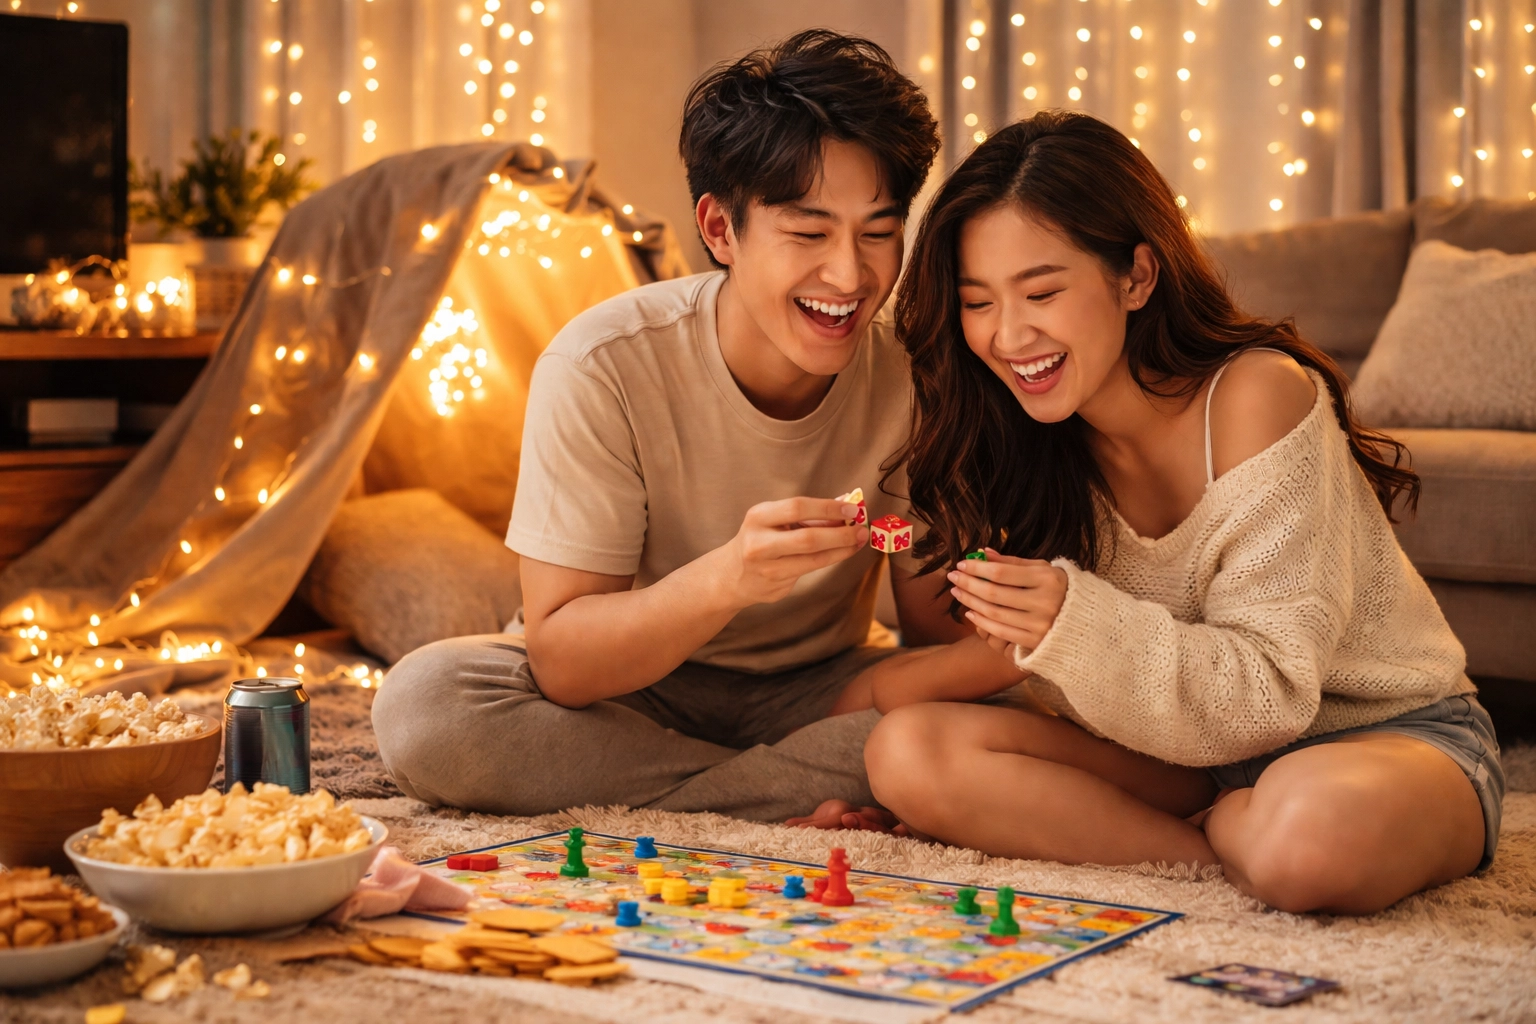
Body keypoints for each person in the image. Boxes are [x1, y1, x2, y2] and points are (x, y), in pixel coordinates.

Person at [834, 111, 1503, 915]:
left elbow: (1269, 699)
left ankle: (1240, 839)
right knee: (908, 753)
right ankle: (1220, 848)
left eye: (1042, 291)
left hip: (1379, 738)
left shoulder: (1257, 395)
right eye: (978, 303)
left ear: (1137, 277)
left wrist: (1070, 627)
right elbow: (980, 667)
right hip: (1186, 756)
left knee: (1308, 842)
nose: (1010, 336)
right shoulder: (1029, 443)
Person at [372, 30, 967, 821]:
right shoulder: (602, 365)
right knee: (425, 706)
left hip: (820, 692)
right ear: (720, 230)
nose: (851, 277)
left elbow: (932, 640)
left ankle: (732, 792)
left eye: (880, 232)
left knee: (1018, 700)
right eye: (808, 232)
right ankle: (772, 793)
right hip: (630, 695)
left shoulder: (916, 379)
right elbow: (564, 666)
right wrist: (731, 578)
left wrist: (993, 585)